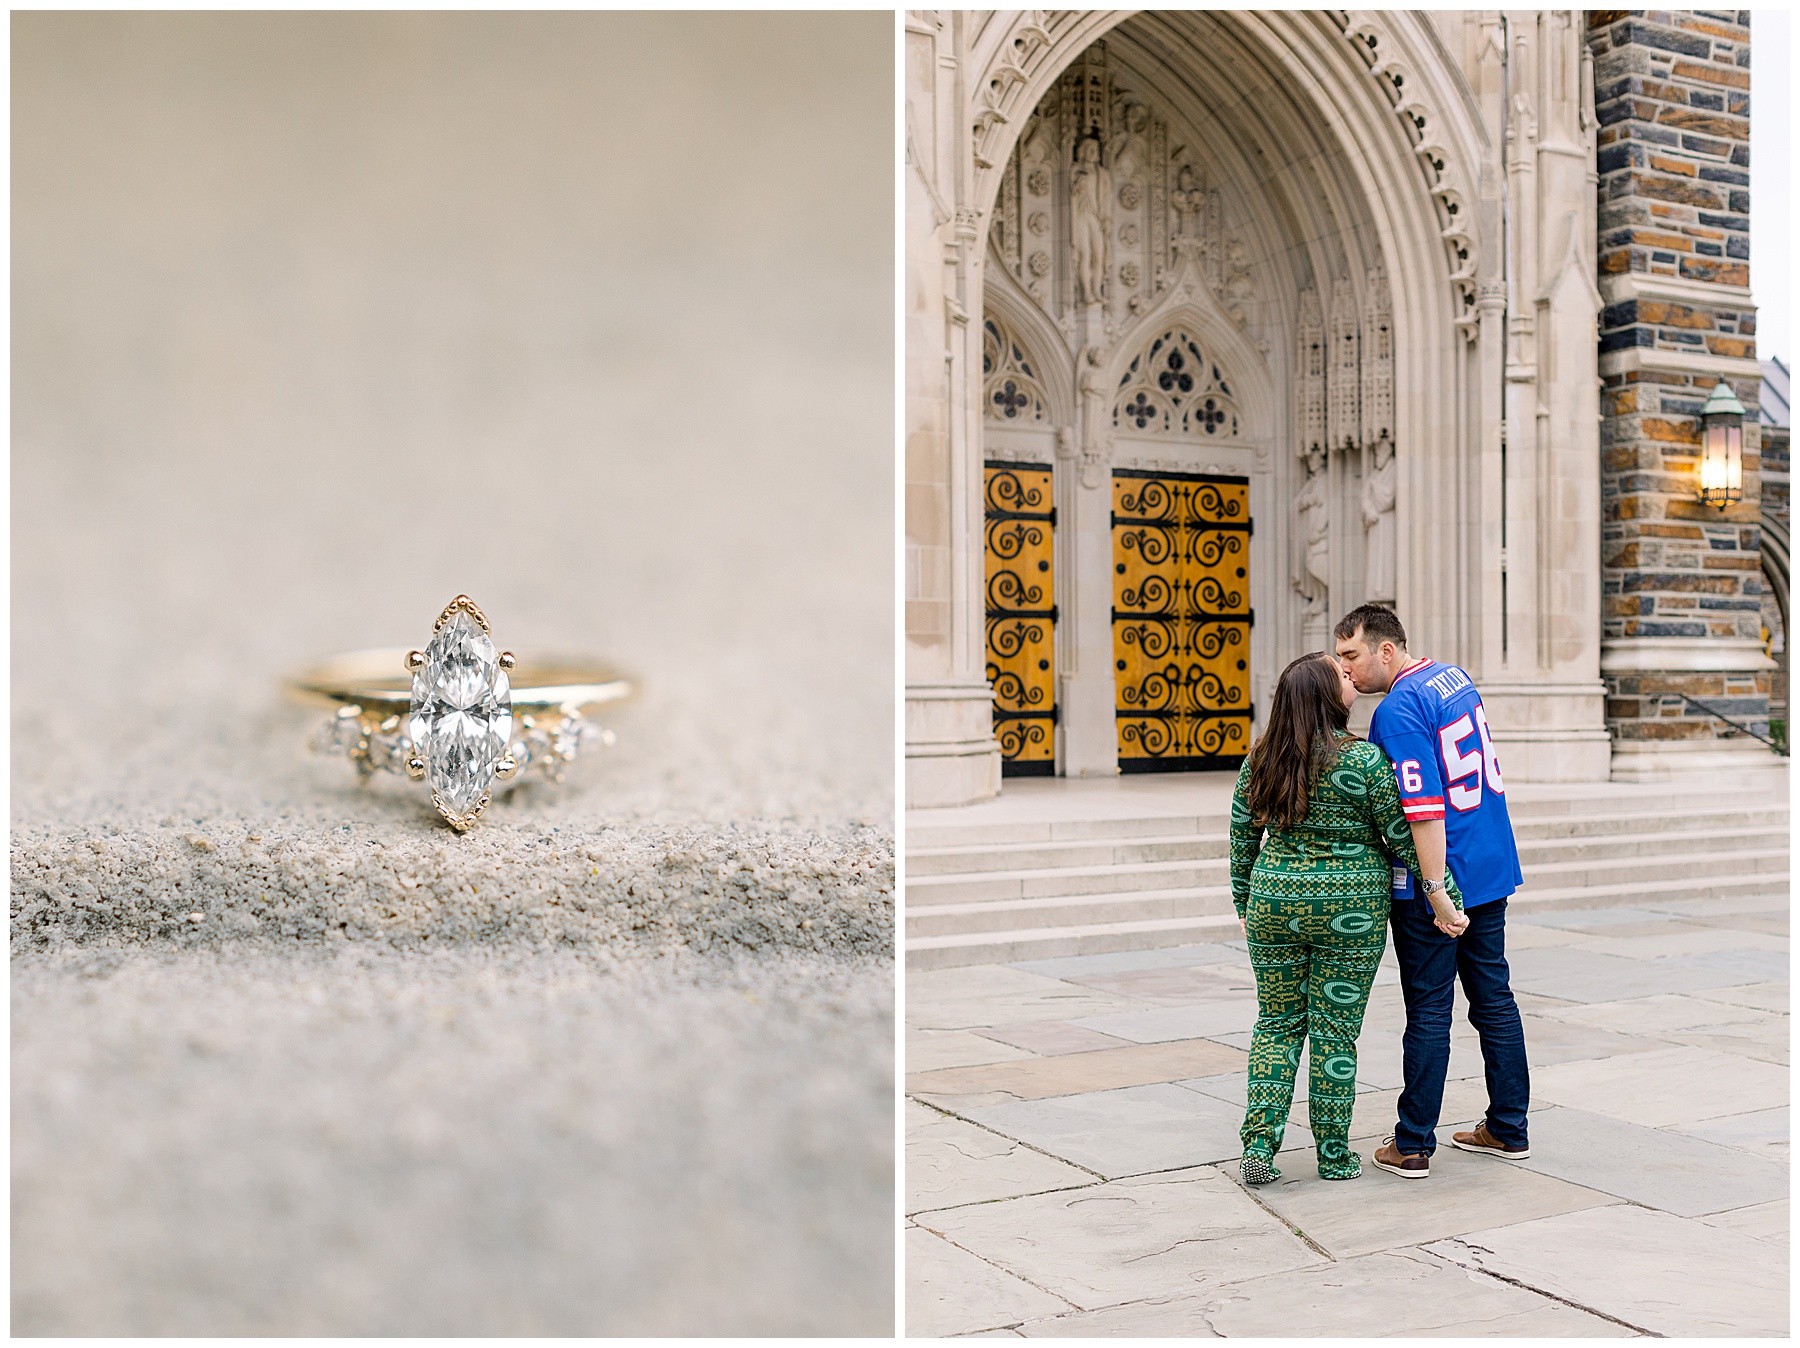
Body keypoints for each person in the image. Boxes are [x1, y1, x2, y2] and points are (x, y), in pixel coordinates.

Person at [1228, 652, 1465, 1186]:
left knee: (1276, 1024)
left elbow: (1242, 839)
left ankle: (1258, 1148)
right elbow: (1404, 837)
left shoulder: (1260, 758)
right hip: (1350, 911)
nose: (1350, 674)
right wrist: (1445, 897)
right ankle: (1334, 1156)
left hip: (1275, 903)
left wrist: (1245, 904)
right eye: (1340, 673)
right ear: (1325, 696)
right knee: (1335, 1034)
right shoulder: (1364, 763)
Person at [1333, 603, 1531, 1180]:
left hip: (1441, 875)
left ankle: (1413, 1143)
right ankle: (1509, 1127)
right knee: (1494, 999)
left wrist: (1435, 888)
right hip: (1489, 860)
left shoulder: (1396, 709)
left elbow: (1423, 810)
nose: (1346, 670)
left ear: (1385, 649)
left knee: (1428, 1008)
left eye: (1352, 655)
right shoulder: (1451, 676)